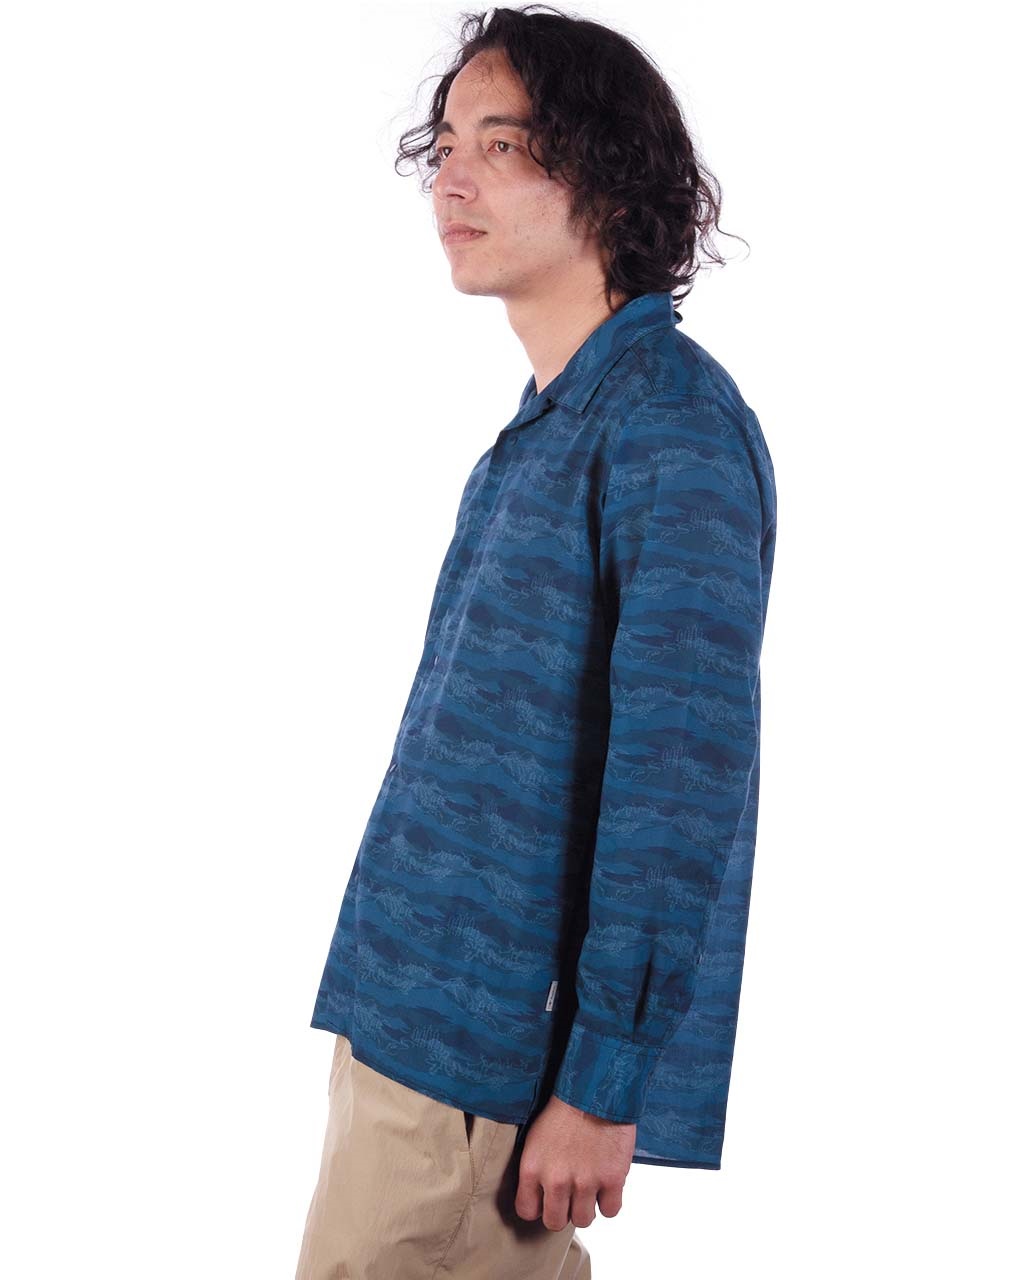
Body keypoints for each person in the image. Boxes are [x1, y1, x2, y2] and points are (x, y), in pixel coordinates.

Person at [295, 6, 777, 1277]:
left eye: (500, 145)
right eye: (446, 144)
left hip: (481, 1076)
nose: (450, 179)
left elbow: (678, 781)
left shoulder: (668, 427)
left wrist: (602, 1078)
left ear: (606, 177)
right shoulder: (557, 416)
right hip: (416, 1030)